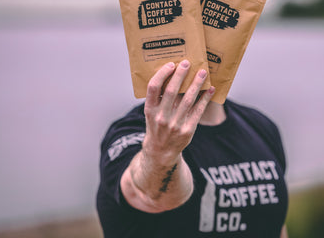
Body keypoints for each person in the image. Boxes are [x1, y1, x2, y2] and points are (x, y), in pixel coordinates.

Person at [96, 60, 289, 237]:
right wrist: (162, 153)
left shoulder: (260, 126)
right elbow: (147, 194)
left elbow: (276, 225)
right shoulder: (131, 132)